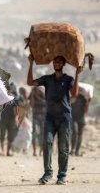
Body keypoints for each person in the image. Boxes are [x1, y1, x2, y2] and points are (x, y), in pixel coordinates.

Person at [27, 55, 81, 185]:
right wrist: (31, 64)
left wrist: (77, 74)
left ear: (63, 64)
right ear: (53, 63)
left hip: (64, 118)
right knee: (47, 144)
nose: (56, 63)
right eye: (55, 61)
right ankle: (48, 173)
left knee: (63, 147)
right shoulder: (47, 79)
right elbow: (30, 83)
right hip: (50, 117)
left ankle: (62, 175)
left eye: (59, 61)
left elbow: (74, 94)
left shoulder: (68, 79)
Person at [0, 83, 19, 156]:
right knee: (2, 135)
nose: (8, 91)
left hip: (11, 119)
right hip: (3, 118)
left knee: (10, 136)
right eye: (7, 90)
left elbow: (16, 109)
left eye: (9, 90)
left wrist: (16, 119)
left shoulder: (14, 99)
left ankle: (8, 151)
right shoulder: (2, 98)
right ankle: (2, 151)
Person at [29, 86, 46, 156]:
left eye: (39, 90)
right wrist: (33, 94)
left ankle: (41, 151)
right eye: (36, 90)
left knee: (43, 134)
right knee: (35, 133)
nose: (38, 91)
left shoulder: (45, 97)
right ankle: (35, 151)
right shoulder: (33, 96)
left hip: (44, 118)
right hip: (35, 117)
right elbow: (32, 105)